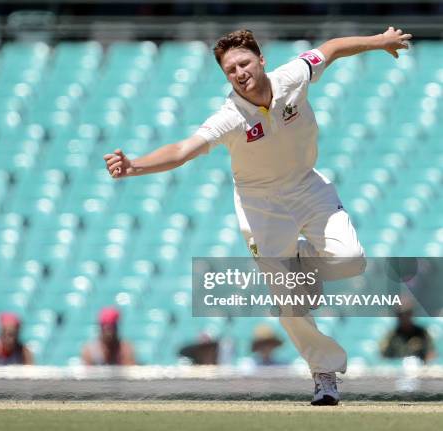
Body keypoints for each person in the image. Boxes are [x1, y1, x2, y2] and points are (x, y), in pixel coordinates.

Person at [104, 27, 412, 405]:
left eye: (244, 62)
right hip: (261, 206)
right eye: (230, 69)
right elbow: (184, 149)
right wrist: (134, 165)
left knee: (350, 260)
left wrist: (379, 42)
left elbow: (330, 49)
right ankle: (323, 374)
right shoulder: (229, 116)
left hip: (307, 185)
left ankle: (302, 259)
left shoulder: (294, 75)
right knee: (287, 298)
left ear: (261, 59)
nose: (238, 72)